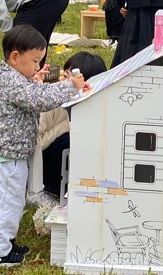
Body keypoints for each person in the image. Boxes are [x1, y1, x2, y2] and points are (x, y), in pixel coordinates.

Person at [0, 26, 86, 268]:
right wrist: (69, 86)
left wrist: (40, 78)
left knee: (14, 201)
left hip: (13, 152)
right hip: (5, 155)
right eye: (35, 61)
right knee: (4, 203)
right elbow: (38, 99)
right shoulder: (11, 81)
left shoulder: (17, 76)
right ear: (15, 57)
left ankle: (6, 243)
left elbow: (35, 90)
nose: (38, 67)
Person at [32, 51, 109, 207]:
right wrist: (64, 127)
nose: (65, 82)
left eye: (71, 79)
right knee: (71, 140)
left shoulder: (94, 101)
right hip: (45, 164)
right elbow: (34, 143)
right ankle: (48, 189)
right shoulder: (52, 101)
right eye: (65, 77)